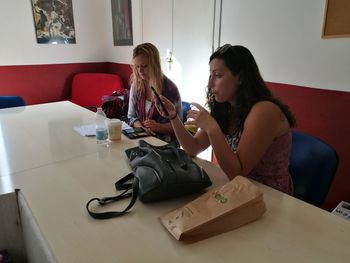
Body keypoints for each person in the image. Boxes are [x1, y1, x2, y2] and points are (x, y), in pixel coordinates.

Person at [159, 44, 296, 195]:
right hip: (238, 188)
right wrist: (173, 117)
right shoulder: (224, 107)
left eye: (217, 75)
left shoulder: (264, 111)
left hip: (270, 196)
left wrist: (212, 129)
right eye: (210, 75)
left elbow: (238, 172)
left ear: (241, 78)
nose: (210, 84)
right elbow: (193, 148)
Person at [128, 43, 182, 143]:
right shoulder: (136, 86)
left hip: (165, 145)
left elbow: (179, 126)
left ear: (155, 65)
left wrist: (158, 127)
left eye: (144, 66)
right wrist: (141, 128)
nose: (140, 71)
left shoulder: (170, 89)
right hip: (141, 140)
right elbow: (131, 116)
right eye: (137, 66)